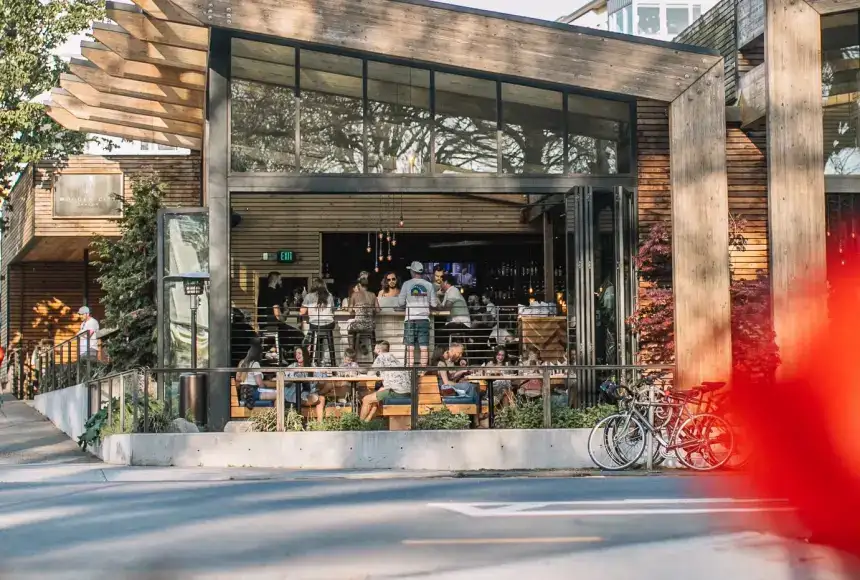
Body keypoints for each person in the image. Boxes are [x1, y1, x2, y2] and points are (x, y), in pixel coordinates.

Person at [398, 261, 438, 366]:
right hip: (424, 319)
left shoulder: (406, 284)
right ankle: (422, 372)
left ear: (412, 271)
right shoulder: (429, 285)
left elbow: (400, 302)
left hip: (410, 319)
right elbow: (434, 304)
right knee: (424, 347)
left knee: (410, 348)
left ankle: (411, 370)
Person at [360, 341, 411, 421]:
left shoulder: (381, 357)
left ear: (378, 349)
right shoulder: (393, 358)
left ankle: (359, 426)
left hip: (396, 392)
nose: (373, 349)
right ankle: (366, 422)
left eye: (375, 347)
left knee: (366, 399)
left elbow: (370, 373)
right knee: (374, 398)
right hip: (406, 391)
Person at [283, 346, 326, 422]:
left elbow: (321, 380)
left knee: (321, 398)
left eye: (299, 353)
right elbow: (283, 378)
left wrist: (323, 373)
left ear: (305, 355)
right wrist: (289, 379)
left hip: (308, 394)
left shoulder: (312, 367)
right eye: (296, 354)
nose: (297, 355)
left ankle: (320, 424)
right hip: (294, 394)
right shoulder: (292, 366)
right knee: (316, 398)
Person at [301, 277, 336, 366]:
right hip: (329, 325)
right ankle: (330, 362)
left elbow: (302, 312)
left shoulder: (308, 296)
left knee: (312, 334)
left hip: (315, 325)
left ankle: (313, 361)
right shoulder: (330, 295)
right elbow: (332, 310)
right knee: (325, 337)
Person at [347, 273, 379, 360]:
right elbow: (378, 310)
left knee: (350, 331)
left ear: (359, 285)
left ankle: (352, 357)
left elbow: (349, 311)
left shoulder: (354, 295)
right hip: (370, 326)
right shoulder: (372, 295)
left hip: (359, 325)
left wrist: (356, 309)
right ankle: (375, 358)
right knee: (357, 329)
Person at [236, 338, 275, 410]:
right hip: (253, 393)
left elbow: (238, 378)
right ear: (258, 354)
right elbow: (259, 383)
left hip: (243, 394)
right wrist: (267, 387)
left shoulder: (242, 362)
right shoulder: (255, 364)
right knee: (277, 393)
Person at [439, 274, 471, 346]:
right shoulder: (448, 292)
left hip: (461, 323)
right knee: (438, 329)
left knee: (438, 332)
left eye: (441, 282)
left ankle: (446, 353)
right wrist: (437, 296)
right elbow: (441, 308)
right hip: (455, 322)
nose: (440, 285)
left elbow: (446, 309)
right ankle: (446, 353)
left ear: (446, 282)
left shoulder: (453, 290)